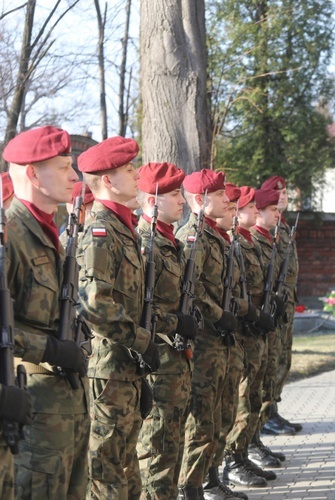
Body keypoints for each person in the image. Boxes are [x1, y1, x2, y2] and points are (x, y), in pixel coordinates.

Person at [2, 125, 89, 498]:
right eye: (62, 166)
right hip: (33, 408)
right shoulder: (11, 234)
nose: (74, 176)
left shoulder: (54, 232)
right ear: (33, 173)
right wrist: (50, 350)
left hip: (68, 405)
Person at [76, 135, 161, 498]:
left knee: (127, 472)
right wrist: (144, 341)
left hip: (127, 369)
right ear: (108, 181)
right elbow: (95, 306)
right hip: (109, 371)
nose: (137, 174)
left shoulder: (123, 228)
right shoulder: (101, 232)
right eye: (128, 169)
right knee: (107, 473)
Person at [175, 170, 246, 500]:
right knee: (202, 419)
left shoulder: (216, 236)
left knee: (222, 414)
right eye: (220, 196)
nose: (227, 200)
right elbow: (192, 289)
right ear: (200, 201)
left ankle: (210, 476)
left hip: (222, 341)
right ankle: (191, 486)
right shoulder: (194, 238)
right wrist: (220, 315)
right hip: (204, 341)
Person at [134, 162, 200, 499]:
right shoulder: (143, 244)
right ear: (151, 201)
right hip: (157, 362)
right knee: (158, 450)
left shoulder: (169, 243)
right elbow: (138, 311)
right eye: (175, 194)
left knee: (172, 447)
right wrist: (177, 323)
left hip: (176, 362)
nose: (182, 201)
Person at [224, 186, 278, 487]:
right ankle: (233, 459)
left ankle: (243, 452)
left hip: (255, 331)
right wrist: (254, 313)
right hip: (242, 333)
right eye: (245, 207)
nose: (255, 212)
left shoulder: (250, 242)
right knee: (241, 401)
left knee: (253, 397)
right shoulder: (235, 243)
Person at [247, 188, 286, 470]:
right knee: (242, 397)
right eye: (271, 208)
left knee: (262, 385)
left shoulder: (260, 241)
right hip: (241, 331)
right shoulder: (245, 242)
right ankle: (238, 455)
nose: (278, 213)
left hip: (263, 324)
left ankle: (251, 441)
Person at [259, 175, 301, 436]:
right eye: (277, 194)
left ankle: (272, 409)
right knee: (271, 362)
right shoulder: (268, 227)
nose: (283, 197)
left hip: (286, 302)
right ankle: (265, 414)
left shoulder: (283, 225)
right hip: (272, 305)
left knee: (283, 360)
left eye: (285, 193)